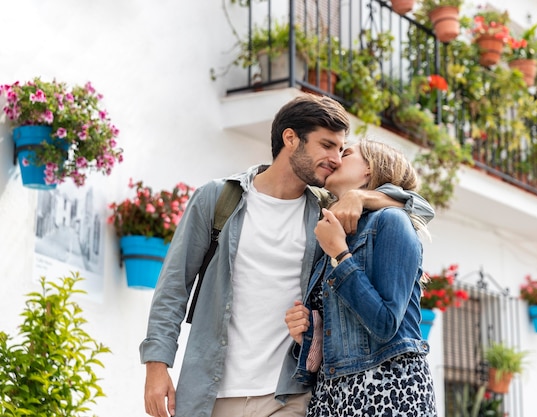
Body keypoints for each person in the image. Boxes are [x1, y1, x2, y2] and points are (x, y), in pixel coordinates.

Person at [140, 94, 435, 417]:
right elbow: (173, 287)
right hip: (212, 390)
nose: (336, 158)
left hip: (290, 395)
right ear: (291, 138)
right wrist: (157, 366)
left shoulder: (326, 214)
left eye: (341, 149)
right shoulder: (218, 199)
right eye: (327, 145)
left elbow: (419, 209)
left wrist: (362, 196)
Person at [284, 139, 437, 416]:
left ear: (370, 169)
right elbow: (343, 329)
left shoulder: (391, 220)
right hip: (331, 394)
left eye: (346, 152)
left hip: (387, 389)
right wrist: (309, 331)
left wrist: (340, 255)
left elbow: (385, 323)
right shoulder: (333, 231)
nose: (335, 158)